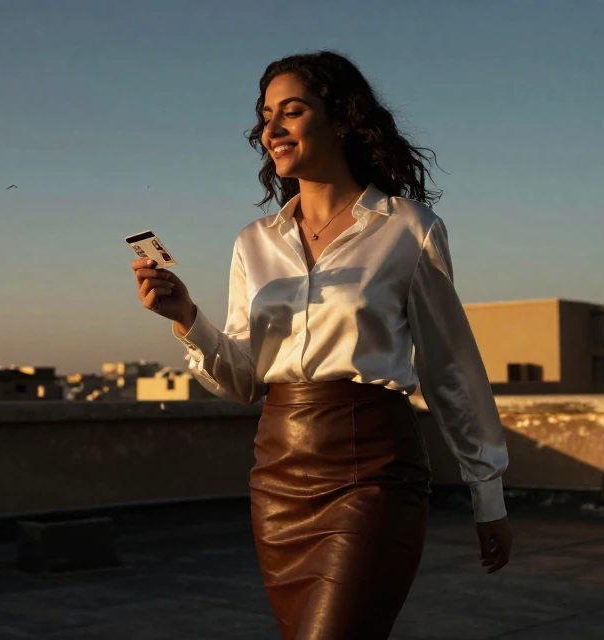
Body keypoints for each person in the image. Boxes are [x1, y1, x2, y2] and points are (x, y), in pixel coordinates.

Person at [131, 51, 512, 639]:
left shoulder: (408, 228)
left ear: (340, 119)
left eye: (292, 111)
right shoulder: (253, 243)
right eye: (265, 117)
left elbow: (451, 369)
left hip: (373, 470)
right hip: (278, 477)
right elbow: (242, 380)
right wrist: (185, 315)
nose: (272, 129)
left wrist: (488, 493)